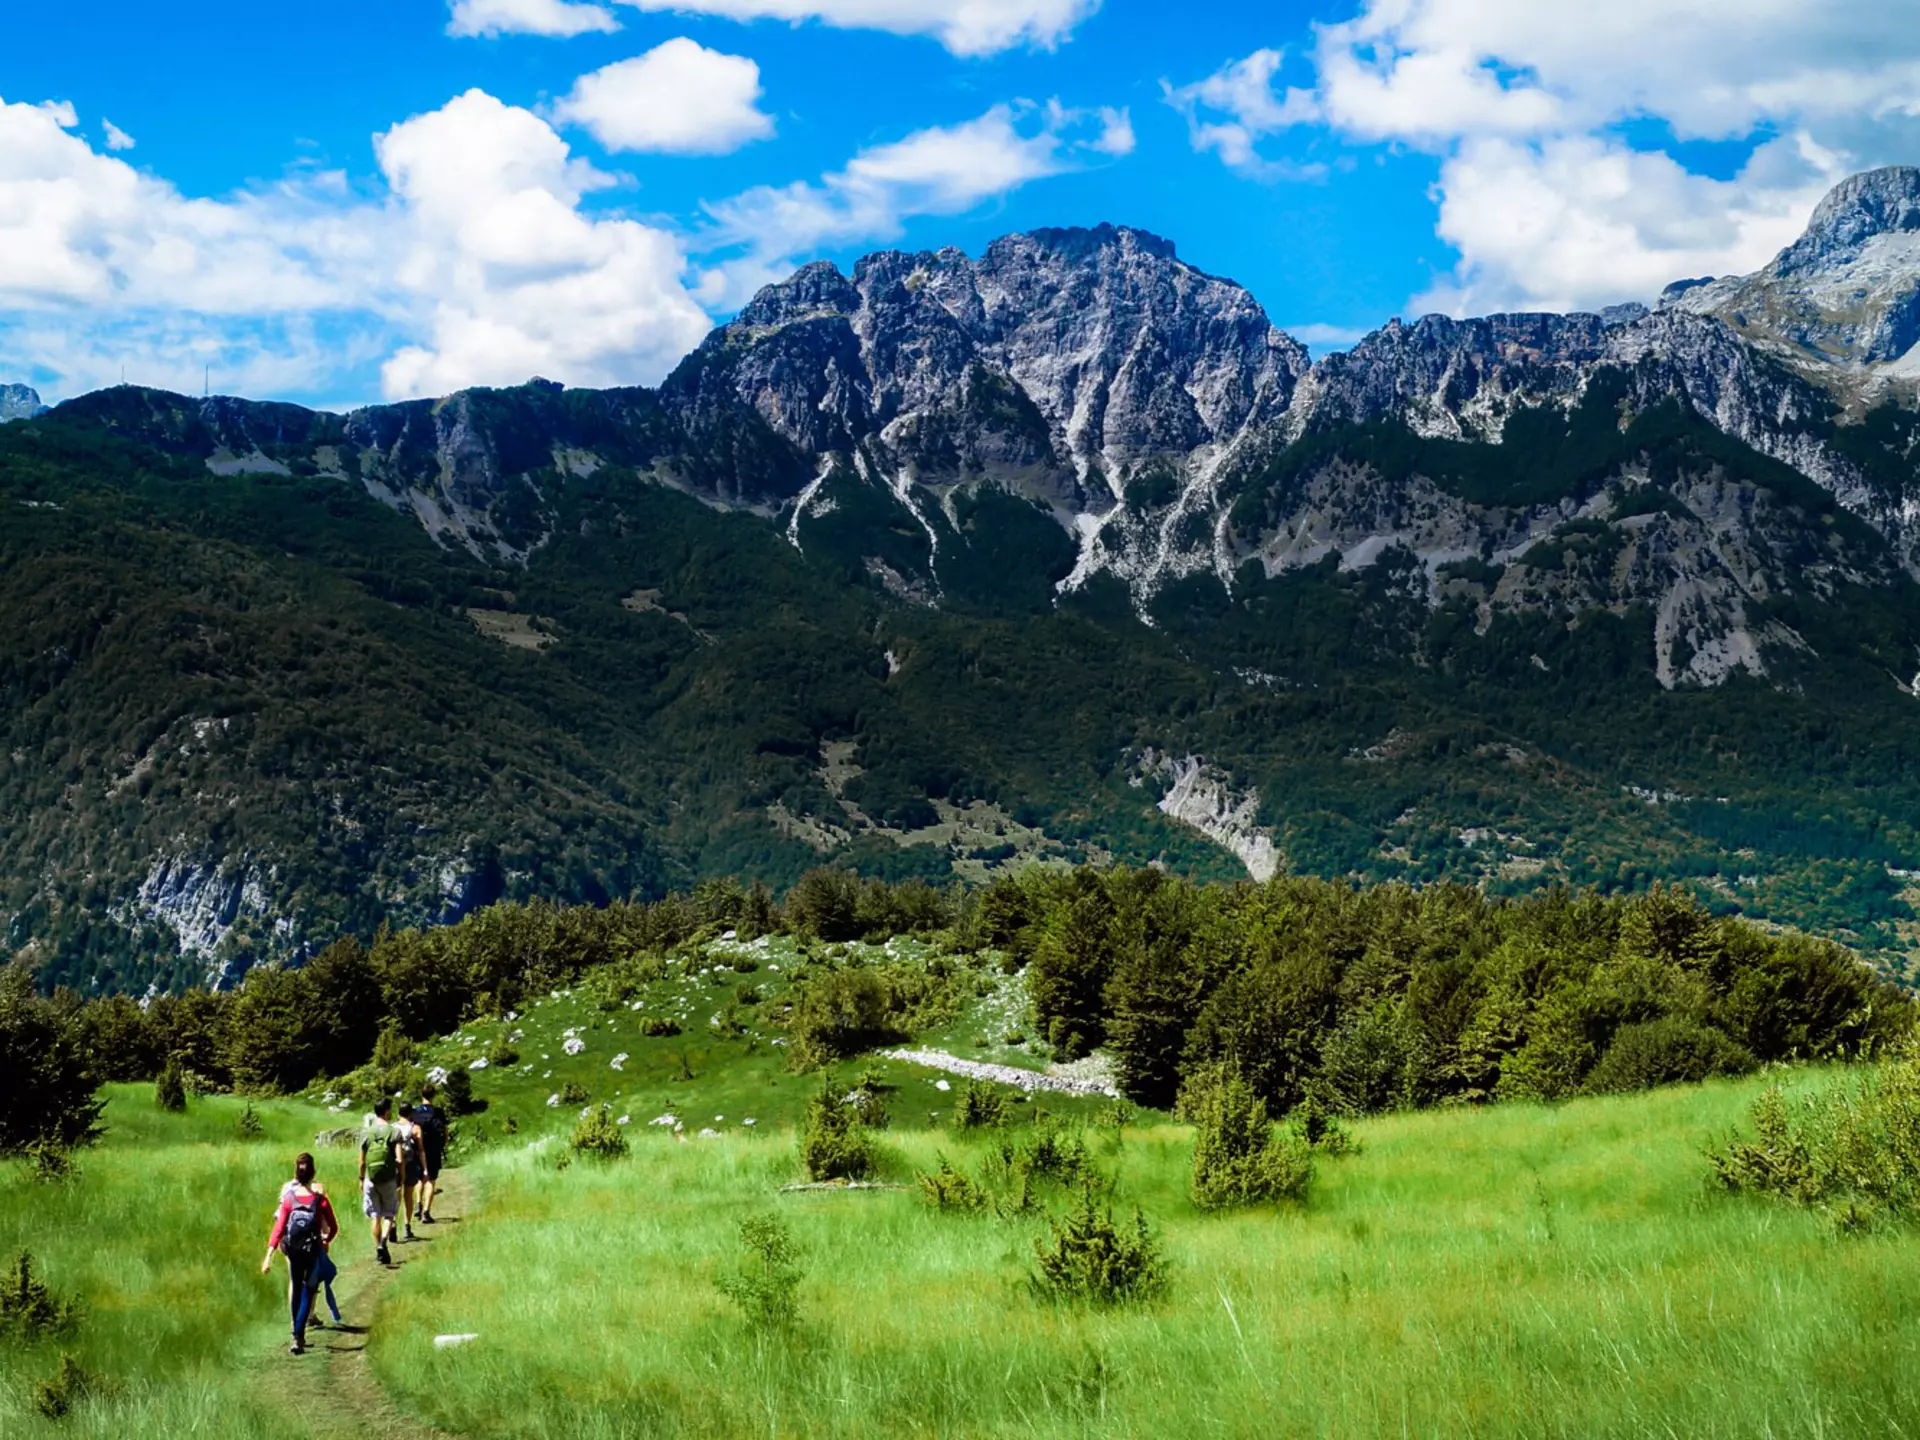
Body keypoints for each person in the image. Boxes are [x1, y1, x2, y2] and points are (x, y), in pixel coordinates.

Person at [262, 1153, 338, 1355]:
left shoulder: (288, 1198)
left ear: (296, 1173)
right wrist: (324, 1241)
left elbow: (278, 1228)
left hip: (292, 1250)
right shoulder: (320, 1199)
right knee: (309, 1290)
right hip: (312, 1252)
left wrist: (268, 1256)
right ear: (313, 1173)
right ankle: (299, 1334)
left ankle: (296, 1335)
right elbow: (333, 1227)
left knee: (296, 1287)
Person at [276, 1175, 345, 1328]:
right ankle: (309, 1315)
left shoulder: (286, 1189)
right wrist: (325, 1239)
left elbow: (279, 1218)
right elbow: (325, 1222)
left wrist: (278, 1243)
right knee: (311, 1281)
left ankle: (295, 1319)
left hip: (289, 1242)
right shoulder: (317, 1189)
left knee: (294, 1281)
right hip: (312, 1243)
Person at [359, 1097, 406, 1267]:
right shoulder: (394, 1132)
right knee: (389, 1214)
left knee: (374, 1215)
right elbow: (400, 1160)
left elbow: (362, 1161)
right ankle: (383, 1242)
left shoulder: (366, 1133)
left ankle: (377, 1247)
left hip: (371, 1178)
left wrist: (361, 1178)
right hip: (388, 1179)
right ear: (386, 1111)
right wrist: (401, 1177)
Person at [411, 1082, 449, 1226]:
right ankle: (426, 1211)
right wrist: (443, 1144)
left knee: (420, 1178)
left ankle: (418, 1203)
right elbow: (445, 1131)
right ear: (434, 1095)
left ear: (422, 1095)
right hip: (434, 1150)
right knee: (431, 1180)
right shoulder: (438, 1112)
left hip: (418, 1149)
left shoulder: (415, 1112)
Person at [394, 1105, 424, 1242]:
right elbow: (421, 1149)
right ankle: (407, 1225)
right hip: (410, 1163)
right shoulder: (415, 1128)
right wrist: (425, 1168)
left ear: (398, 1113)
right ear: (410, 1113)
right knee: (408, 1196)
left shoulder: (392, 1128)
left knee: (396, 1195)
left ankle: (392, 1223)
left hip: (396, 1164)